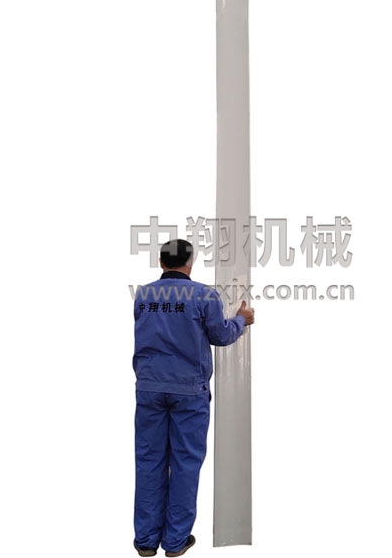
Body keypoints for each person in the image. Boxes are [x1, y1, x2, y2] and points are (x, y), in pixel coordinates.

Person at [132, 239, 255, 557]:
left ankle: (146, 540)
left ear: (161, 262)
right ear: (191, 262)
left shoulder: (143, 295)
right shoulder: (203, 295)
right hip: (189, 392)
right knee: (185, 464)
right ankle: (175, 542)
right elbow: (220, 335)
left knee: (149, 461)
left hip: (149, 389)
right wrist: (241, 320)